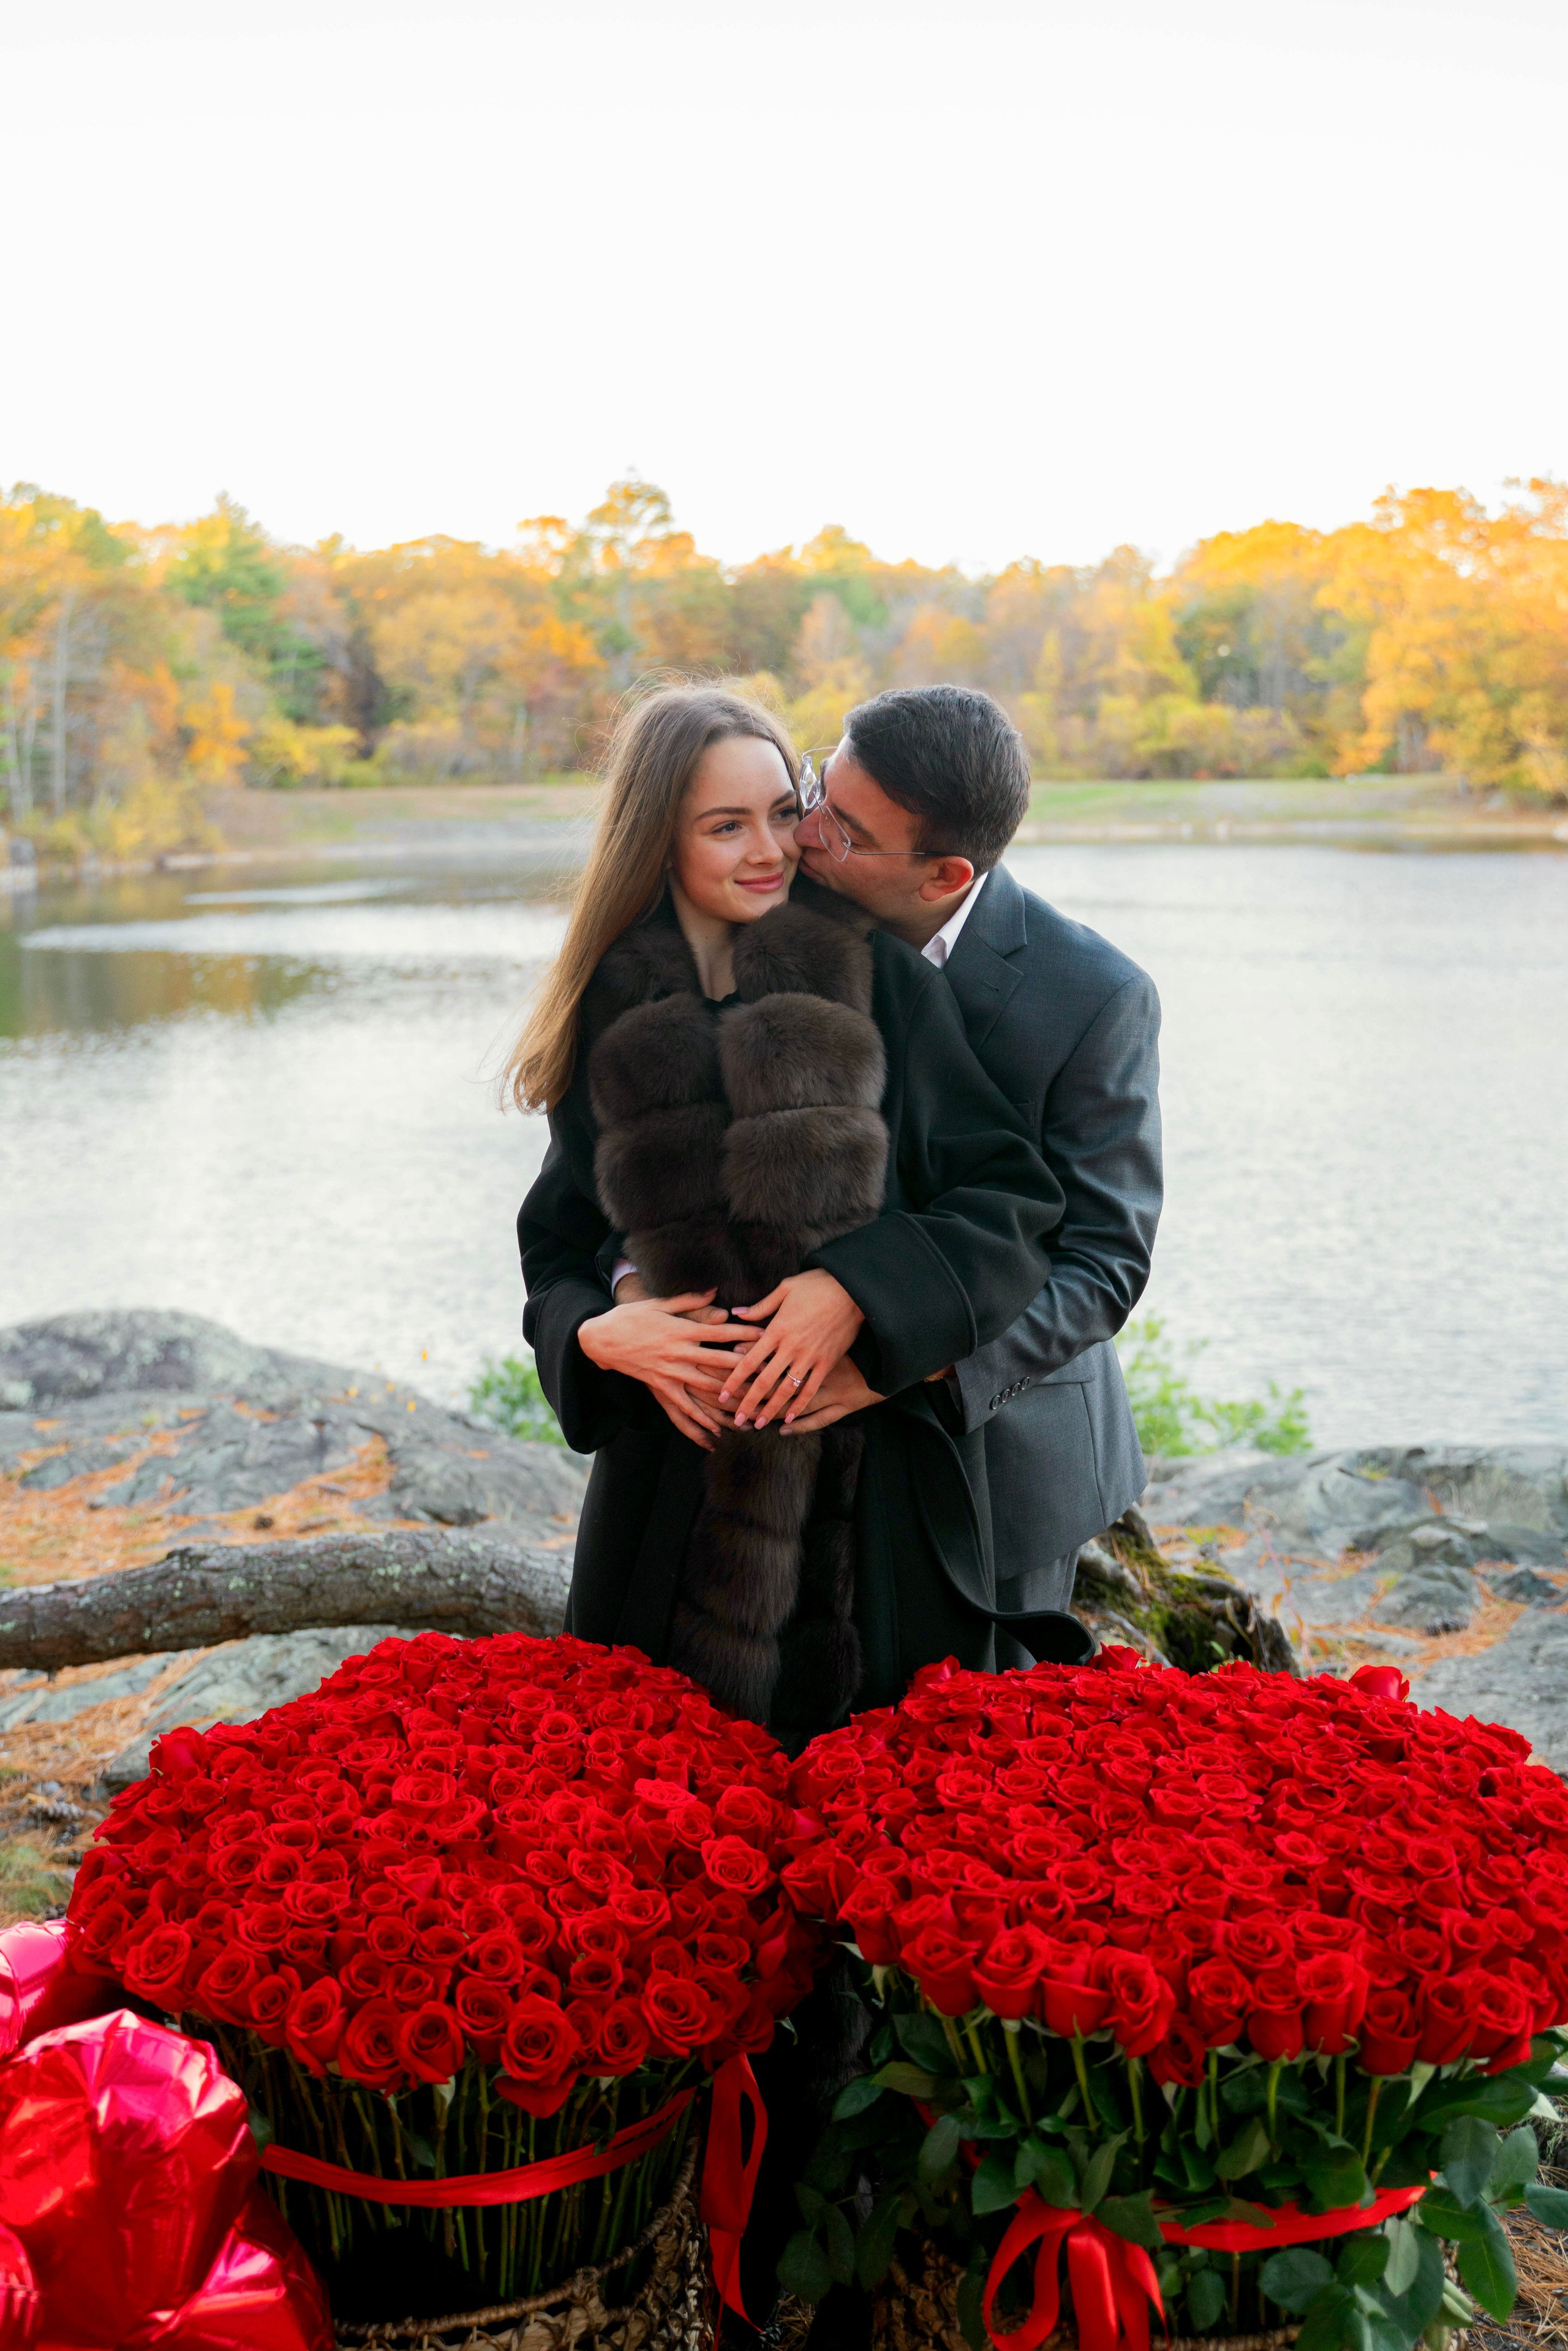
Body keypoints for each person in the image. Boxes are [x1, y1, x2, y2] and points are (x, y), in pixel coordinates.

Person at [509, 682, 1091, 1753]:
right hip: (664, 1510)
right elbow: (556, 1241)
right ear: (658, 838)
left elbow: (1012, 1201)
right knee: (660, 1801)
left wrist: (858, 1292)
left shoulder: (874, 979)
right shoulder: (609, 1009)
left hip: (866, 1510)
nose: (774, 848)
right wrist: (598, 1331)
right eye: (726, 826)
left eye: (786, 810)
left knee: (873, 1801)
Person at [790, 684, 1162, 1628]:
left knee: (981, 1714)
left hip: (1005, 1460)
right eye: (818, 788)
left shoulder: (1096, 997)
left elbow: (1103, 1260)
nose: (805, 832)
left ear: (945, 875)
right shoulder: (771, 909)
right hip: (794, 1457)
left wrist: (910, 1360)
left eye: (845, 831)